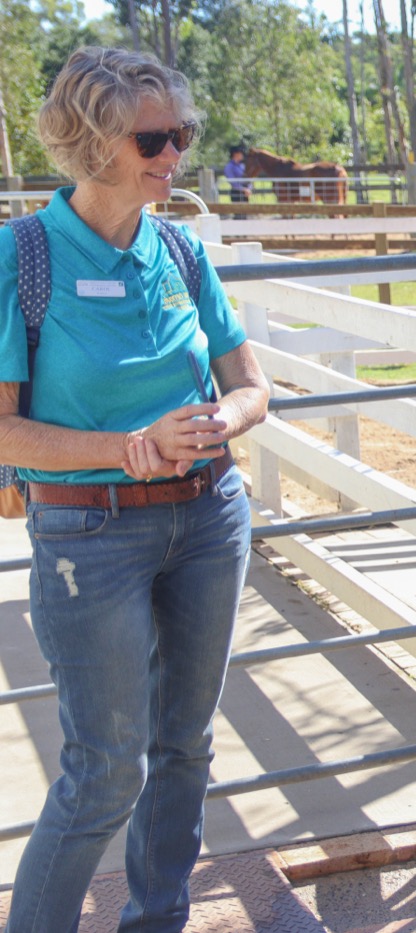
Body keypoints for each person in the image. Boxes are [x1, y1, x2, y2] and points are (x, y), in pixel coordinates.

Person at [0, 47, 269, 932]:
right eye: (152, 136)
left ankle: (158, 919)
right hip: (87, 537)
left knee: (184, 748)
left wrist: (226, 419)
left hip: (209, 519)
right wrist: (128, 446)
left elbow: (253, 384)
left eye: (181, 132)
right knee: (105, 769)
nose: (174, 151)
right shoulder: (23, 258)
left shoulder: (182, 251)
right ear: (89, 141)